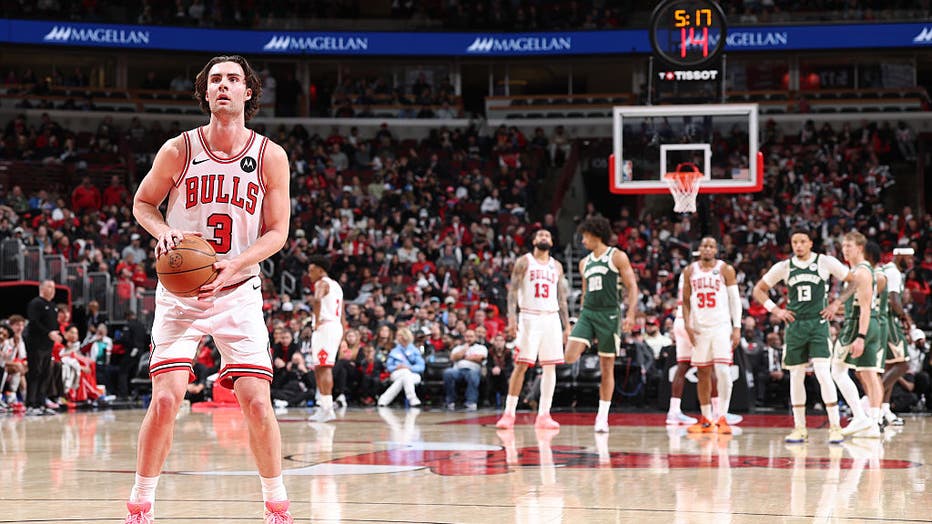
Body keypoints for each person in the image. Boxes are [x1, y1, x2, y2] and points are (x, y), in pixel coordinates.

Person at [126, 55, 293, 523]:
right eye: (215, 80)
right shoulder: (179, 149)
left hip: (237, 289)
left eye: (233, 79)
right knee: (165, 399)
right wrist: (163, 231)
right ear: (204, 93)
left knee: (257, 402)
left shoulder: (270, 156)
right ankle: (140, 503)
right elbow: (143, 203)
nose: (223, 85)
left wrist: (237, 261)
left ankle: (277, 504)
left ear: (247, 92)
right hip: (182, 293)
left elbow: (278, 232)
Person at [752, 228, 851, 444]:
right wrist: (776, 310)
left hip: (818, 324)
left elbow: (853, 281)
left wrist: (836, 303)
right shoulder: (784, 266)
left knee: (823, 374)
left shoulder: (825, 262)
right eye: (795, 242)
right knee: (796, 376)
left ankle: (835, 427)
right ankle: (799, 428)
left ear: (810, 243)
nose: (798, 245)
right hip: (795, 326)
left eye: (802, 241)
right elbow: (758, 290)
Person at [564, 216, 639, 433]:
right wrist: (579, 318)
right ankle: (589, 340)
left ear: (595, 235)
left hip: (609, 315)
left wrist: (630, 314)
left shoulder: (617, 256)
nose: (582, 240)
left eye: (585, 236)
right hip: (588, 313)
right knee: (569, 356)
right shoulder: (584, 263)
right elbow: (585, 291)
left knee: (607, 368)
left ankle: (602, 416)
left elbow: (632, 286)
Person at [495, 228, 570, 429]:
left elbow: (561, 298)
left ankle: (544, 414)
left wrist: (566, 325)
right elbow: (512, 292)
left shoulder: (557, 266)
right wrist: (512, 318)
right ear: (534, 240)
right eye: (540, 235)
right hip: (529, 316)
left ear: (551, 242)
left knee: (550, 366)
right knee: (521, 364)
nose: (544, 237)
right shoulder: (524, 261)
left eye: (547, 235)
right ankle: (509, 413)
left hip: (551, 317)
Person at [821, 232, 885, 439]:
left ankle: (860, 416)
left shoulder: (862, 272)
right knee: (868, 373)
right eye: (843, 246)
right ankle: (873, 423)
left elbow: (864, 308)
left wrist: (860, 337)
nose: (845, 250)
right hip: (868, 323)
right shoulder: (860, 271)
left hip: (859, 324)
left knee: (838, 370)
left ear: (860, 248)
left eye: (849, 246)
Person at [682, 237, 742, 435]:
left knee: (723, 371)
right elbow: (685, 301)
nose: (707, 249)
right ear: (699, 249)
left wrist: (737, 327)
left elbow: (735, 300)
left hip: (721, 327)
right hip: (700, 328)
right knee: (703, 373)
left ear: (716, 250)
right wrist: (688, 325)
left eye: (711, 246)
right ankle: (706, 418)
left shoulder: (725, 269)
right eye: (704, 246)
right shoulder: (690, 271)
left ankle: (722, 416)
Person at [306, 255, 345, 422]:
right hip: (335, 326)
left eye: (311, 271)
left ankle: (327, 409)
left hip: (325, 327)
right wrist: (343, 335)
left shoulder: (321, 283)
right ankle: (324, 406)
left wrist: (316, 320)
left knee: (324, 368)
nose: (309, 274)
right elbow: (342, 313)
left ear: (320, 270)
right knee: (320, 367)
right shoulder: (337, 286)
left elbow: (317, 300)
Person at [878, 247, 914, 426]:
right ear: (899, 256)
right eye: (908, 258)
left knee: (889, 366)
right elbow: (894, 301)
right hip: (889, 321)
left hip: (883, 320)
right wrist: (906, 319)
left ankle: (883, 409)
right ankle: (870, 401)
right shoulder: (893, 272)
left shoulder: (888, 270)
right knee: (903, 364)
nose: (911, 262)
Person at [666, 270, 697, 425]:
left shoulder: (685, 273)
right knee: (709, 366)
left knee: (682, 366)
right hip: (691, 319)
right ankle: (717, 413)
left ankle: (673, 411)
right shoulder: (699, 272)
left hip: (679, 319)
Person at [25, 280, 61, 416]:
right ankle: (31, 404)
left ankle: (41, 403)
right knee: (35, 373)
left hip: (48, 345)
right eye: (50, 287)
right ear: (42, 288)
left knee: (46, 374)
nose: (53, 290)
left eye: (54, 287)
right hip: (36, 344)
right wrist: (48, 333)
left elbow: (53, 324)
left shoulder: (53, 306)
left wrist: (56, 334)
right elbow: (34, 322)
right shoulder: (36, 303)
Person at [378, 327, 424, 407]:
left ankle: (383, 400)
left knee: (405, 376)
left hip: (413, 374)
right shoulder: (394, 351)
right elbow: (389, 367)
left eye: (399, 335)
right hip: (397, 373)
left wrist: (409, 367)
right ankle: (412, 399)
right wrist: (397, 367)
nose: (397, 337)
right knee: (405, 374)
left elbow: (421, 367)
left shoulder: (414, 351)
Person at [444, 328, 488, 411]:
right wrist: (464, 350)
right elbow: (453, 358)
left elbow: (480, 358)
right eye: (467, 336)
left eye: (471, 336)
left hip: (473, 370)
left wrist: (463, 357)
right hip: (458, 370)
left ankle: (471, 402)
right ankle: (451, 401)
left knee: (472, 374)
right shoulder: (458, 347)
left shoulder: (481, 347)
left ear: (475, 337)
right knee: (448, 372)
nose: (469, 339)